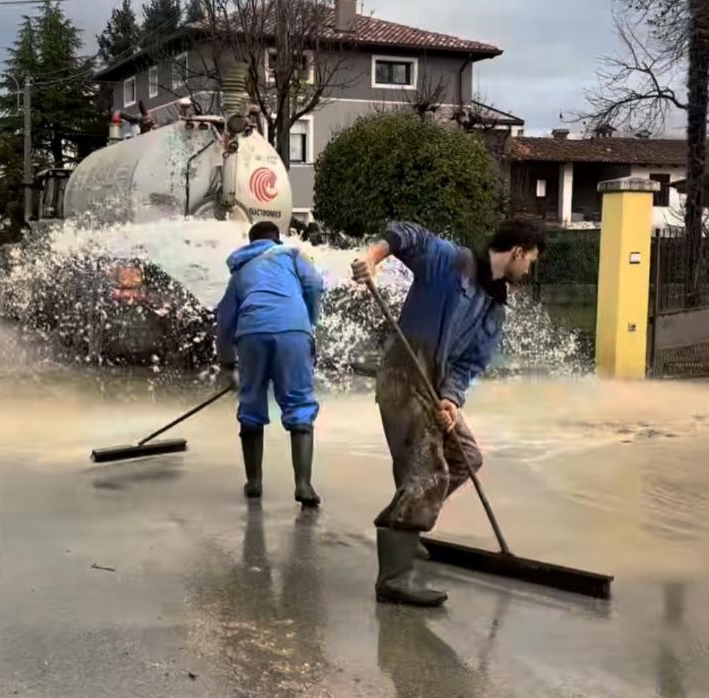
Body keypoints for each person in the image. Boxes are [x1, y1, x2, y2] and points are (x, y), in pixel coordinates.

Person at [351, 219, 545, 607]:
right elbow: (408, 234)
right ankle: (393, 578)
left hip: (436, 389)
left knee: (466, 457)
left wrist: (451, 401)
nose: (529, 270)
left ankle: (402, 523)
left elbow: (470, 363)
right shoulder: (451, 262)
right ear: (518, 252)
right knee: (429, 470)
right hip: (404, 379)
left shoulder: (495, 308)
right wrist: (373, 258)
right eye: (531, 261)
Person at [217, 221, 324, 507]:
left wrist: (227, 364)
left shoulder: (240, 271)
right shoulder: (292, 255)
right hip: (293, 333)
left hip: (251, 334)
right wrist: (308, 322)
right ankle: (303, 485)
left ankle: (254, 483)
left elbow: (225, 318)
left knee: (250, 404)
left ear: (251, 243)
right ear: (276, 239)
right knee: (299, 404)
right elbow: (315, 284)